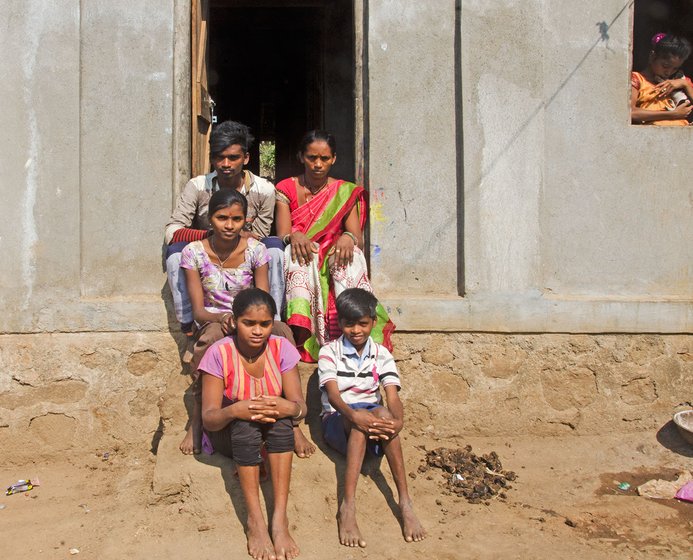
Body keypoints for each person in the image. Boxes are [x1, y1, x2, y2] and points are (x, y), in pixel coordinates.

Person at [200, 288, 304, 560]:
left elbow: (300, 407)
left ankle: (280, 520)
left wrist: (289, 408)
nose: (257, 331)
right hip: (230, 433)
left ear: (272, 323)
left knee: (281, 423)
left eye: (265, 324)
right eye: (249, 323)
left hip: (270, 432)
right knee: (246, 426)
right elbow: (209, 419)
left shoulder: (282, 349)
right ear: (234, 322)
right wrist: (236, 410)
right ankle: (255, 521)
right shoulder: (219, 353)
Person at [317, 288, 426, 548]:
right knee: (360, 421)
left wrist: (397, 423)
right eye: (349, 324)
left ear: (373, 323)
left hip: (370, 420)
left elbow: (392, 397)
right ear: (340, 323)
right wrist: (354, 414)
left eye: (363, 324)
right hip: (338, 419)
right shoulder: (329, 352)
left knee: (384, 415)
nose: (356, 330)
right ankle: (348, 506)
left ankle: (405, 502)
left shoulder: (381, 354)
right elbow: (333, 396)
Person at [275, 130, 394, 362]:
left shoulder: (345, 191)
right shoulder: (286, 188)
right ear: (301, 157)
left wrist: (348, 238)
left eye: (325, 159)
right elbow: (282, 233)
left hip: (334, 251)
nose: (318, 164)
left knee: (349, 258)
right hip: (304, 250)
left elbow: (356, 236)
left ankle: (357, 328)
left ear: (334, 159)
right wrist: (294, 236)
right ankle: (303, 334)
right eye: (312, 158)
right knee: (296, 256)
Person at [164, 120, 280, 340]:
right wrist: (209, 236)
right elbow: (173, 230)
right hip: (205, 256)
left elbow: (261, 236)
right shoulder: (198, 186)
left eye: (233, 158)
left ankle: (270, 318)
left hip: (245, 255)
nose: (226, 164)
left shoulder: (264, 190)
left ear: (245, 158)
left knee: (274, 250)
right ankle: (189, 323)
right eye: (219, 157)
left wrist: (241, 238)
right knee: (175, 254)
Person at [178, 188, 269, 455]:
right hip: (213, 319)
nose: (229, 225)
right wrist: (224, 317)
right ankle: (197, 420)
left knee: (280, 332)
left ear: (245, 220)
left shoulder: (256, 250)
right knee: (211, 339)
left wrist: (245, 320)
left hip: (251, 318)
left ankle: (292, 423)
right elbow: (198, 311)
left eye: (237, 219)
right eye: (221, 218)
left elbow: (262, 299)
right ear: (209, 218)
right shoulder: (193, 252)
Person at [631, 33, 693, 125]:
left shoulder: (681, 81)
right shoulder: (637, 79)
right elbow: (631, 112)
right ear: (652, 56)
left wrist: (685, 85)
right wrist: (673, 114)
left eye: (675, 68)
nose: (669, 72)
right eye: (665, 66)